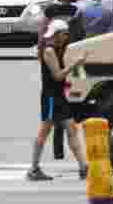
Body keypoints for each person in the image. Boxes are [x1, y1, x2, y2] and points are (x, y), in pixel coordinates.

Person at [27, 19, 89, 182]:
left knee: (71, 129)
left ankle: (83, 167)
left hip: (60, 95)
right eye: (64, 33)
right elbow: (58, 75)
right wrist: (75, 64)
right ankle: (33, 169)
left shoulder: (60, 48)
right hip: (51, 97)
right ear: (57, 34)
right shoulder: (49, 50)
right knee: (44, 131)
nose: (67, 36)